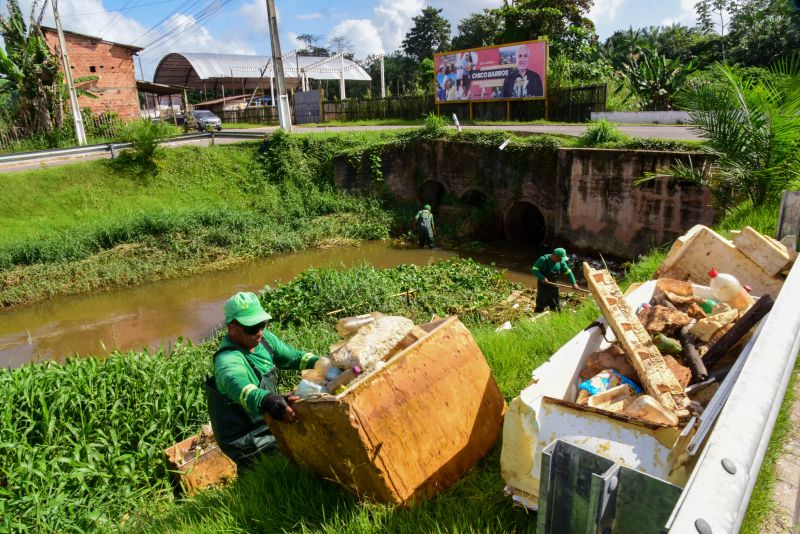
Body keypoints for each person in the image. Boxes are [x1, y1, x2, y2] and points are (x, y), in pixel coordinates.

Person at [205, 291, 320, 470]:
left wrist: (325, 363)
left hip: (265, 419)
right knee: (275, 471)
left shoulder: (264, 340)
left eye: (262, 324)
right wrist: (267, 399)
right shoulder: (227, 361)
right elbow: (241, 389)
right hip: (245, 434)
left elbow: (295, 357)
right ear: (231, 327)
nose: (259, 332)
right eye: (251, 327)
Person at [531, 248, 579, 312]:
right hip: (543, 284)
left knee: (555, 301)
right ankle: (538, 313)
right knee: (541, 300)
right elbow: (534, 269)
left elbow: (568, 272)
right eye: (560, 258)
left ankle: (556, 314)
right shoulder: (543, 259)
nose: (561, 260)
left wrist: (574, 283)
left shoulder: (561, 262)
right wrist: (542, 278)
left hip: (553, 284)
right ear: (555, 256)